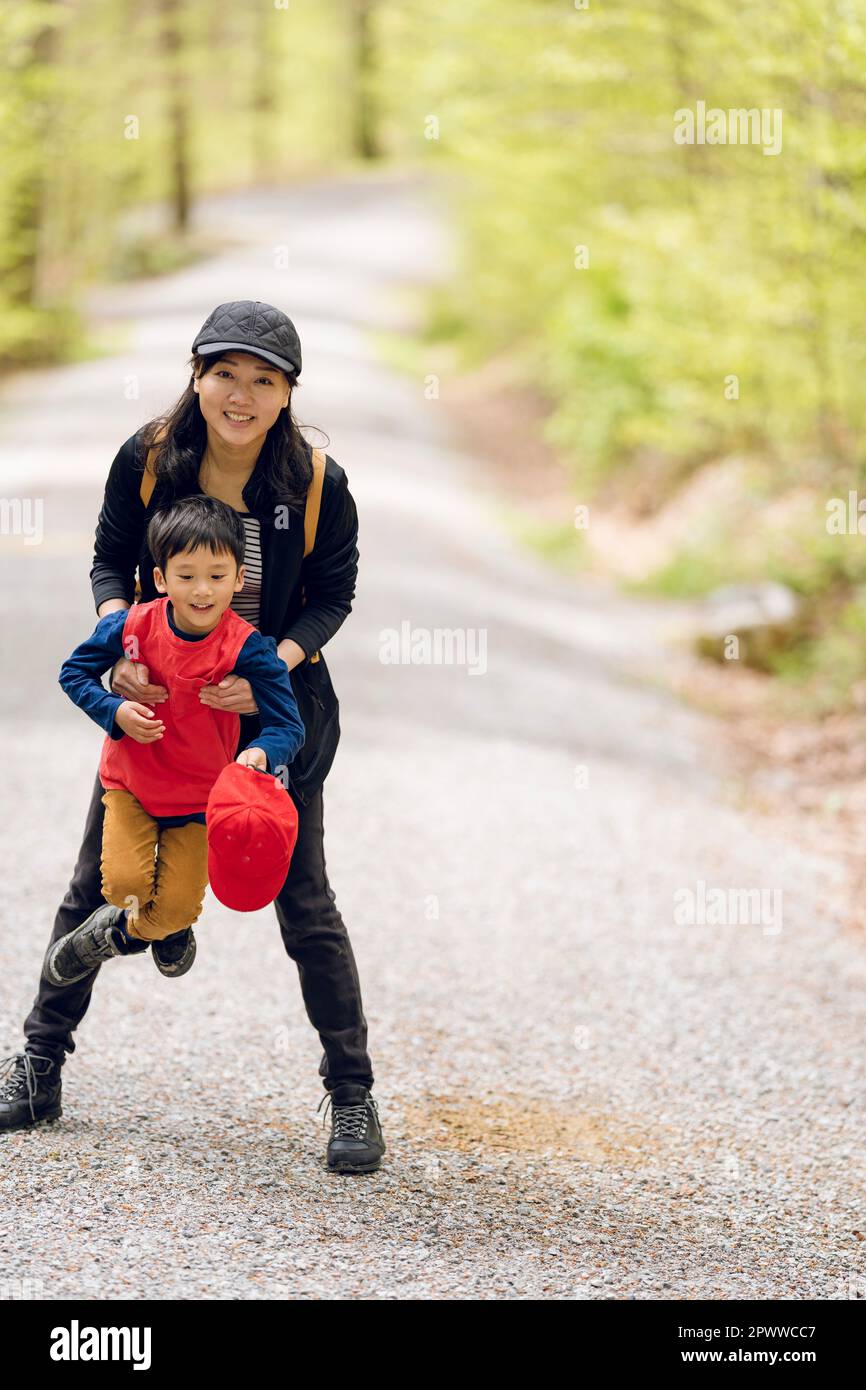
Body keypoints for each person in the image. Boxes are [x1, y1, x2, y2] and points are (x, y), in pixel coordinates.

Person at [0, 299, 385, 1173]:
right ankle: (37, 1064)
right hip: (163, 706)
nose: (241, 396)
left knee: (305, 902)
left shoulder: (318, 484)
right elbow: (108, 557)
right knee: (92, 882)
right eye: (225, 375)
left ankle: (353, 1097)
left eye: (264, 381)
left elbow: (333, 595)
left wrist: (270, 669)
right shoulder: (147, 461)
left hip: (273, 715)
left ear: (287, 393)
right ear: (197, 375)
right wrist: (120, 640)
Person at [46, 493, 305, 984]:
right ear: (160, 579)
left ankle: (116, 936)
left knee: (177, 909)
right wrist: (115, 709)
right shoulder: (132, 626)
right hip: (131, 784)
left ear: (239, 578)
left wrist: (258, 754)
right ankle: (147, 922)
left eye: (216, 576)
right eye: (186, 576)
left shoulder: (249, 648)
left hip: (203, 801)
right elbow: (73, 673)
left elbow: (287, 726)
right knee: (124, 885)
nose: (202, 591)